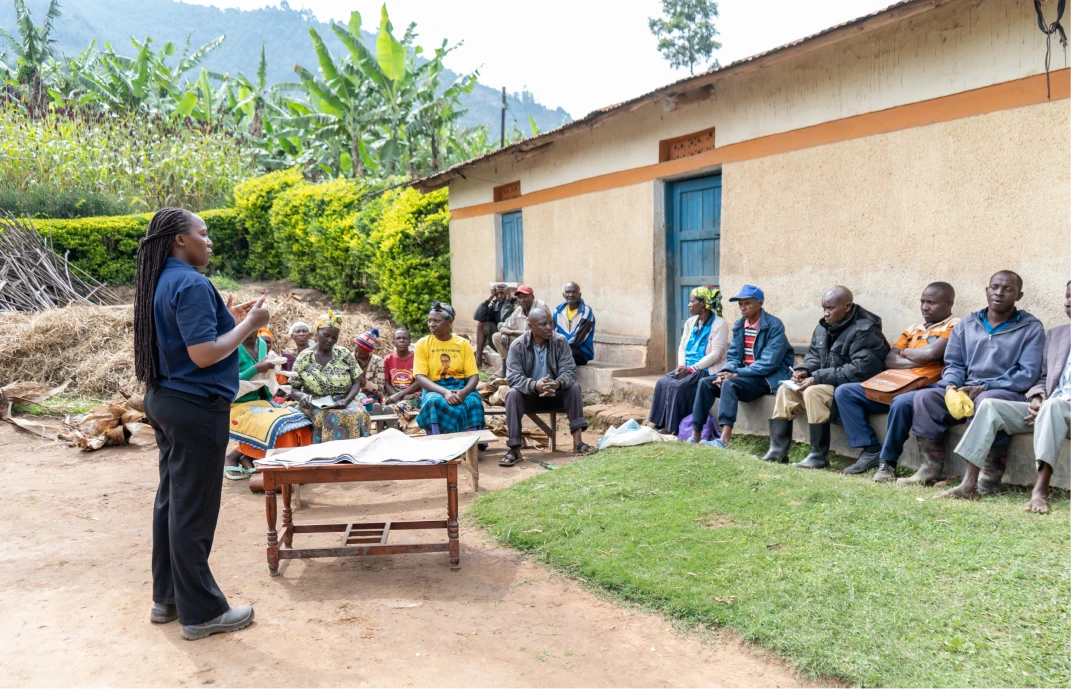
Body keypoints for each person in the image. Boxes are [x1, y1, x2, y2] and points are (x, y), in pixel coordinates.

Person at [134, 207, 263, 640]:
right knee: (193, 509)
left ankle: (167, 598)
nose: (209, 242)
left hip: (166, 399)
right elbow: (204, 354)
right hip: (195, 407)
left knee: (172, 502)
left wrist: (227, 316)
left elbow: (193, 336)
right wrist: (249, 325)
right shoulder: (189, 283)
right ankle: (202, 612)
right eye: (202, 234)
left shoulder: (164, 279)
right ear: (178, 239)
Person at [902, 271, 1044, 491]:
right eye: (995, 287)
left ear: (1019, 295)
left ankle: (989, 477)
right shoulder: (968, 323)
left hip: (1005, 391)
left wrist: (985, 387)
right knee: (926, 398)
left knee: (987, 401)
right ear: (986, 290)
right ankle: (929, 468)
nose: (999, 293)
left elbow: (1027, 373)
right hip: (966, 388)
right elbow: (954, 364)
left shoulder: (1030, 327)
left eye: (1008, 289)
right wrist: (951, 384)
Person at [948, 280, 1071, 511]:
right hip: (1049, 410)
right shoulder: (1058, 335)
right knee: (991, 405)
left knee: (1054, 407)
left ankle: (1040, 490)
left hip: (1063, 412)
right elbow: (1043, 378)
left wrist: (1050, 405)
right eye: (1066, 296)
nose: (1067, 303)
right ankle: (969, 484)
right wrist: (1037, 398)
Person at [833, 283, 959, 481]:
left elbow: (932, 353)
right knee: (845, 392)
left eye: (931, 303)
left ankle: (888, 463)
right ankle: (871, 450)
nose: (925, 307)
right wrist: (918, 357)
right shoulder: (912, 329)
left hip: (926, 387)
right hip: (896, 384)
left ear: (949, 303)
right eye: (923, 302)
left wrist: (906, 352)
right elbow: (889, 359)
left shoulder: (955, 326)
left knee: (901, 402)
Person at [764, 286, 889, 469]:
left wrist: (817, 377)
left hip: (851, 386)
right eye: (824, 308)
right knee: (786, 389)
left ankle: (818, 455)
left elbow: (861, 369)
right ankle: (777, 450)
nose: (826, 313)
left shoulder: (866, 330)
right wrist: (804, 370)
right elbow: (814, 356)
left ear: (847, 306)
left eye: (830, 308)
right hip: (827, 381)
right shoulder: (823, 328)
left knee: (814, 392)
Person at [692, 285, 793, 449]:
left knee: (730, 383)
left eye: (747, 303)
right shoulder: (740, 325)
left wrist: (736, 374)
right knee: (705, 383)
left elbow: (768, 363)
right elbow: (733, 356)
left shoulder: (774, 326)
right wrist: (726, 372)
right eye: (740, 304)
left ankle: (724, 440)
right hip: (744, 376)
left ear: (760, 303)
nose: (743, 308)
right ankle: (695, 436)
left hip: (767, 378)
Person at [501, 308, 597, 466]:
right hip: (529, 397)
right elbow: (513, 377)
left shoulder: (560, 341)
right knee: (512, 394)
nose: (549, 327)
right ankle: (515, 448)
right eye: (543, 324)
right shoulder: (517, 346)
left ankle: (578, 443)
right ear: (530, 325)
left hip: (555, 394)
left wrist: (557, 383)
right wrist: (535, 385)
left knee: (573, 387)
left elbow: (569, 371)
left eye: (550, 323)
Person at [224, 328, 312, 480]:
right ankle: (235, 457)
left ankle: (254, 457)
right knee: (278, 427)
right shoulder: (230, 346)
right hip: (237, 404)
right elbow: (225, 382)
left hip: (263, 402)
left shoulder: (262, 345)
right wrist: (255, 369)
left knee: (301, 421)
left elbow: (264, 378)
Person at [646, 286, 728, 438]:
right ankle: (658, 422)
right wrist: (682, 366)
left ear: (703, 303)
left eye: (692, 301)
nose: (689, 305)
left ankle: (672, 427)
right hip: (688, 367)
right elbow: (682, 347)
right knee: (662, 382)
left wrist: (692, 369)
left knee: (678, 387)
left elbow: (716, 354)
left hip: (705, 370)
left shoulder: (719, 324)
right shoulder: (691, 322)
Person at [290, 311, 371, 442]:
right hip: (315, 403)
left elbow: (356, 383)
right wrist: (302, 396)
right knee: (328, 417)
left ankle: (352, 456)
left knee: (360, 414)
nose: (330, 340)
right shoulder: (304, 357)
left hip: (343, 401)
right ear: (317, 331)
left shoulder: (343, 354)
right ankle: (328, 458)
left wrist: (347, 400)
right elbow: (294, 388)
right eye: (326, 335)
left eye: (334, 337)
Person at [414, 301, 486, 435]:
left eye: (436, 321)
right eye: (429, 320)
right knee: (433, 402)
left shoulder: (462, 344)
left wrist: (464, 392)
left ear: (450, 321)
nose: (431, 324)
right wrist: (445, 392)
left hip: (461, 386)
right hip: (434, 388)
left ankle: (471, 445)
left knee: (474, 402)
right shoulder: (422, 344)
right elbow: (420, 377)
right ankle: (438, 443)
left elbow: (474, 375)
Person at [493, 285, 547, 377]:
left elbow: (537, 332)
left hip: (539, 343)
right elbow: (503, 326)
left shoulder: (540, 306)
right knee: (497, 337)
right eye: (519, 297)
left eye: (525, 297)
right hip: (522, 342)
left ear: (532, 297)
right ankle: (508, 366)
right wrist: (505, 333)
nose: (522, 300)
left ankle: (523, 370)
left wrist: (511, 332)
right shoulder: (519, 309)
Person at [382, 328, 421, 423]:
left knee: (401, 406)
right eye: (398, 338)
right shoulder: (388, 359)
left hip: (413, 395)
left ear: (409, 342)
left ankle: (392, 419)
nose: (402, 340)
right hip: (394, 393)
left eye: (405, 338)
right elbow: (386, 383)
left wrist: (401, 395)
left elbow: (419, 382)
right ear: (393, 342)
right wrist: (398, 395)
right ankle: (386, 414)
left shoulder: (417, 358)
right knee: (387, 403)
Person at [552, 282, 596, 366]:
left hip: (580, 352)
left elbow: (579, 338)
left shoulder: (586, 311)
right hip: (561, 349)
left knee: (564, 354)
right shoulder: (558, 311)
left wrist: (559, 348)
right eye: (568, 292)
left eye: (574, 292)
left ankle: (561, 378)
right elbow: (553, 332)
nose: (571, 294)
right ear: (563, 295)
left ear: (579, 295)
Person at [473, 283, 515, 367]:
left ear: (507, 293)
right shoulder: (495, 306)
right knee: (482, 323)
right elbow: (478, 316)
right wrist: (490, 298)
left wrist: (508, 299)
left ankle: (505, 366)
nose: (499, 296)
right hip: (499, 339)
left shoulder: (515, 304)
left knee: (500, 326)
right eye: (497, 294)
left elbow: (505, 320)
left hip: (513, 340)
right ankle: (478, 361)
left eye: (502, 293)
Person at [352, 327, 385, 409]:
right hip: (351, 394)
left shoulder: (378, 361)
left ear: (369, 352)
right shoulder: (349, 358)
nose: (358, 355)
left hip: (370, 396)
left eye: (362, 354)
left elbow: (380, 390)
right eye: (356, 351)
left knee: (370, 406)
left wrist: (363, 382)